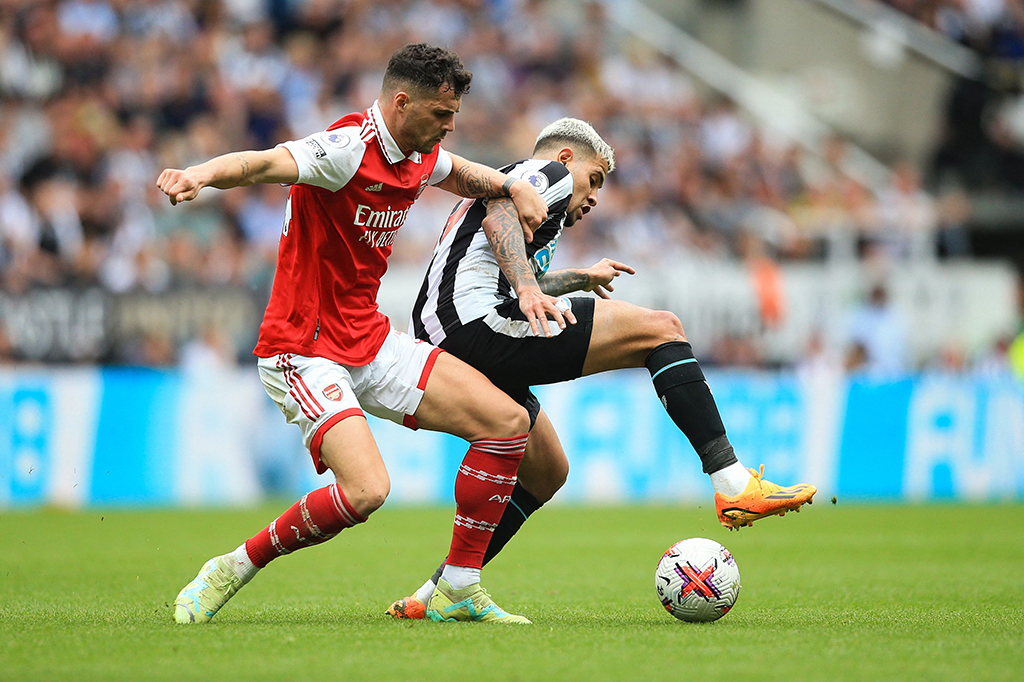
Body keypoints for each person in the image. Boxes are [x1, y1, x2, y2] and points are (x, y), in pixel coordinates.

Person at [159, 44, 574, 626]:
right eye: (441, 115)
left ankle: (459, 586)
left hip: (371, 339)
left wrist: (512, 188)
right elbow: (259, 164)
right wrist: (200, 174)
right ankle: (233, 566)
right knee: (366, 492)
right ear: (402, 103)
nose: (449, 127)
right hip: (302, 348)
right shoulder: (347, 149)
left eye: (454, 116)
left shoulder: (418, 152)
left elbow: (463, 173)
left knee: (507, 423)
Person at [387, 118, 817, 620]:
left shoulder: (524, 188)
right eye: (595, 179)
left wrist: (573, 278)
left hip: (454, 331)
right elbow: (500, 215)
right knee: (661, 327)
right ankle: (733, 483)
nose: (594, 197)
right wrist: (529, 287)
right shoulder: (546, 171)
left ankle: (437, 592)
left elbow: (508, 266)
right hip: (472, 324)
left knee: (548, 470)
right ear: (569, 158)